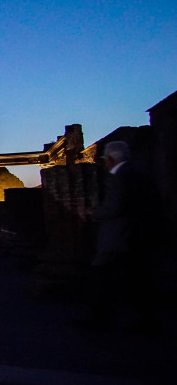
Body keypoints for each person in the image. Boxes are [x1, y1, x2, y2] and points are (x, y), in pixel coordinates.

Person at [87, 140, 162, 333]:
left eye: (103, 159)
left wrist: (94, 213)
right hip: (138, 234)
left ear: (111, 159)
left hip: (119, 235)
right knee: (138, 280)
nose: (102, 163)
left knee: (102, 275)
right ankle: (147, 320)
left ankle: (99, 319)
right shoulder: (140, 172)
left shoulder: (119, 176)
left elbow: (116, 207)